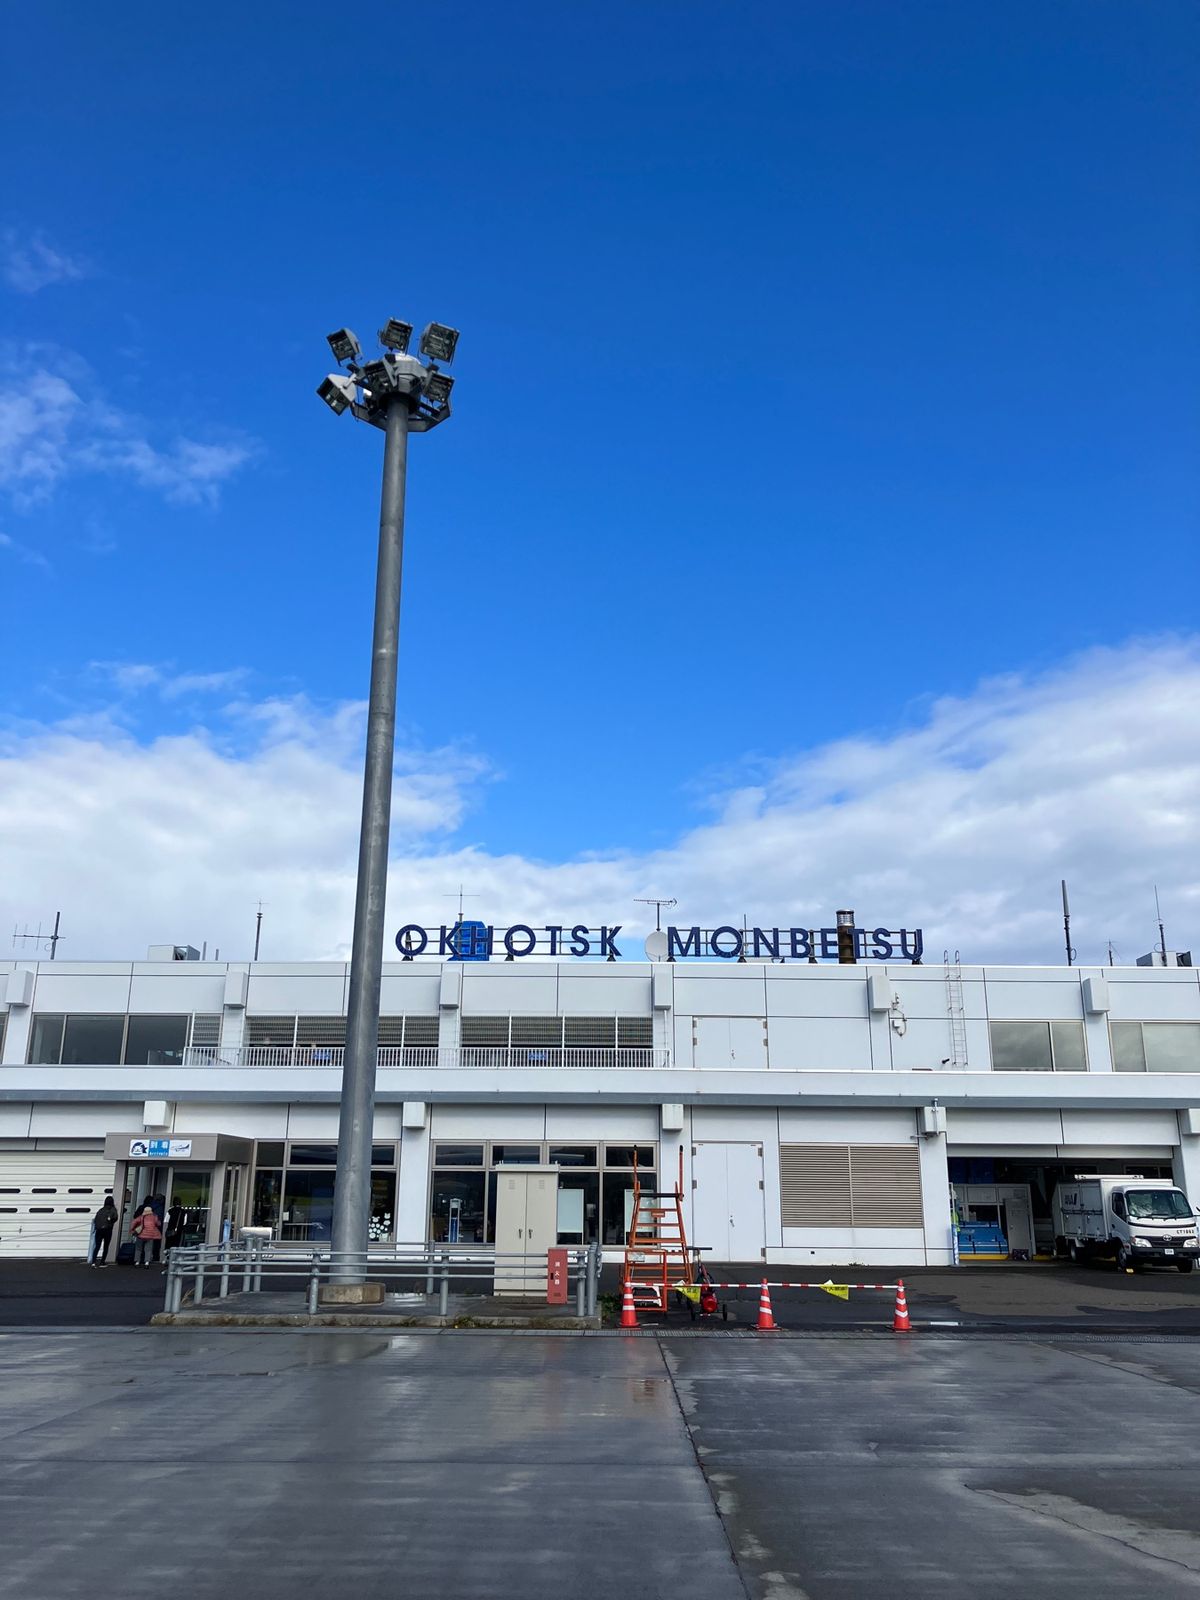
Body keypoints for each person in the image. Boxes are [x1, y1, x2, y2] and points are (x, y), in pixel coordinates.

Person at [131, 1201, 162, 1267]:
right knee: (148, 1249)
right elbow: (159, 1224)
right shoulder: (154, 1217)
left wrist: (132, 1230)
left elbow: (134, 1222)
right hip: (150, 1235)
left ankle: (137, 1262)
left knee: (138, 1248)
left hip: (141, 1235)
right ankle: (147, 1262)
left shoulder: (141, 1217)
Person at [89, 1195, 118, 1267]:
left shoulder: (101, 1210)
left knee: (97, 1246)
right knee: (106, 1246)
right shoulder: (113, 1209)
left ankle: (93, 1261)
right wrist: (111, 1222)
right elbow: (115, 1218)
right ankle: (102, 1261)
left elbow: (96, 1219)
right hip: (108, 1229)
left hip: (99, 1230)